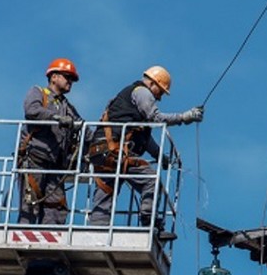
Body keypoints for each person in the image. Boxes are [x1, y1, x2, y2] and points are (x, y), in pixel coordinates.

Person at [87, 65, 203, 238]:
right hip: (114, 151)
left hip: (102, 152)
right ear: (153, 83)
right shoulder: (142, 92)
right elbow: (156, 117)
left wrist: (159, 156)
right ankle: (149, 224)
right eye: (160, 92)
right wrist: (184, 117)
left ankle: (95, 234)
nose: (159, 97)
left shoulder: (128, 100)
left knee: (106, 193)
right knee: (151, 181)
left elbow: (144, 138)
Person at [17, 58, 83, 225]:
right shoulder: (38, 92)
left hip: (54, 166)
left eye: (72, 79)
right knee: (30, 206)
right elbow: (32, 110)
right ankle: (24, 244)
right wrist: (56, 118)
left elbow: (83, 129)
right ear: (53, 77)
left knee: (56, 208)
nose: (70, 82)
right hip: (34, 160)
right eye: (67, 77)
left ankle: (50, 246)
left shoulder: (67, 107)